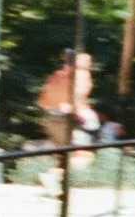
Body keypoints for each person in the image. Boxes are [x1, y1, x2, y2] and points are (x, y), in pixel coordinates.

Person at [37, 50, 99, 191]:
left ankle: (54, 182)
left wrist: (57, 106)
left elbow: (42, 102)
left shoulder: (56, 76)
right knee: (84, 156)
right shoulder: (82, 75)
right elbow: (77, 97)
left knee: (65, 155)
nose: (89, 63)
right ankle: (52, 176)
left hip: (50, 119)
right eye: (86, 60)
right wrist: (78, 110)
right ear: (77, 61)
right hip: (67, 120)